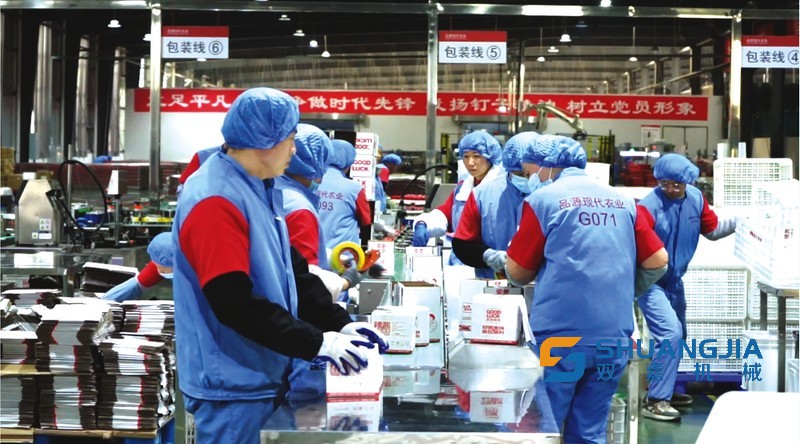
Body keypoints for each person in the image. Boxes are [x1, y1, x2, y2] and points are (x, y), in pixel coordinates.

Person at [172, 87, 387, 444]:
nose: (294, 150)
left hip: (261, 372)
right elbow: (232, 301)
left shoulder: (259, 187)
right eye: (290, 139)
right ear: (264, 141)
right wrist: (315, 342)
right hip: (233, 386)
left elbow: (293, 272)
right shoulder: (215, 199)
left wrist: (339, 323)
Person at [504, 135, 668, 443]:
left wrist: (505, 258)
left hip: (560, 338)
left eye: (528, 172)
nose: (528, 179)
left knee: (545, 429)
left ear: (545, 166)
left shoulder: (543, 201)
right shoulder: (623, 202)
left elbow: (518, 273)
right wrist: (622, 290)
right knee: (590, 431)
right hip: (612, 336)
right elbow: (658, 261)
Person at [637, 153, 737, 421]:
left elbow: (712, 230)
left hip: (674, 281)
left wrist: (743, 221)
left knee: (679, 337)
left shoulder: (696, 199)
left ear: (688, 182)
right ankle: (656, 401)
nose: (670, 189)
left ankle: (663, 389)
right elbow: (635, 247)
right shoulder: (648, 207)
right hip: (650, 282)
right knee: (670, 334)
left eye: (677, 184)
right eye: (664, 184)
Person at [452, 131, 540, 278]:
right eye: (519, 173)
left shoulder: (551, 195)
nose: (526, 178)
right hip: (494, 283)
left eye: (529, 173)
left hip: (543, 283)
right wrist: (489, 256)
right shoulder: (482, 195)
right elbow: (462, 244)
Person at [411, 131, 503, 253]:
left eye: (476, 156)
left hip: (492, 259)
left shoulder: (501, 190)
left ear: (490, 158)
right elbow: (446, 214)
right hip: (462, 258)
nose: (470, 163)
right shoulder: (463, 188)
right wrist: (424, 224)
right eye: (466, 156)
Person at [318, 139, 372, 251]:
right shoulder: (354, 188)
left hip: (313, 253)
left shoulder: (309, 182)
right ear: (349, 163)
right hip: (342, 255)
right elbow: (366, 221)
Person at [102, 232, 173, 302]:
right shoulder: (162, 258)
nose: (159, 271)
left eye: (162, 270)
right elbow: (135, 285)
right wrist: (105, 300)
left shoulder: (169, 259)